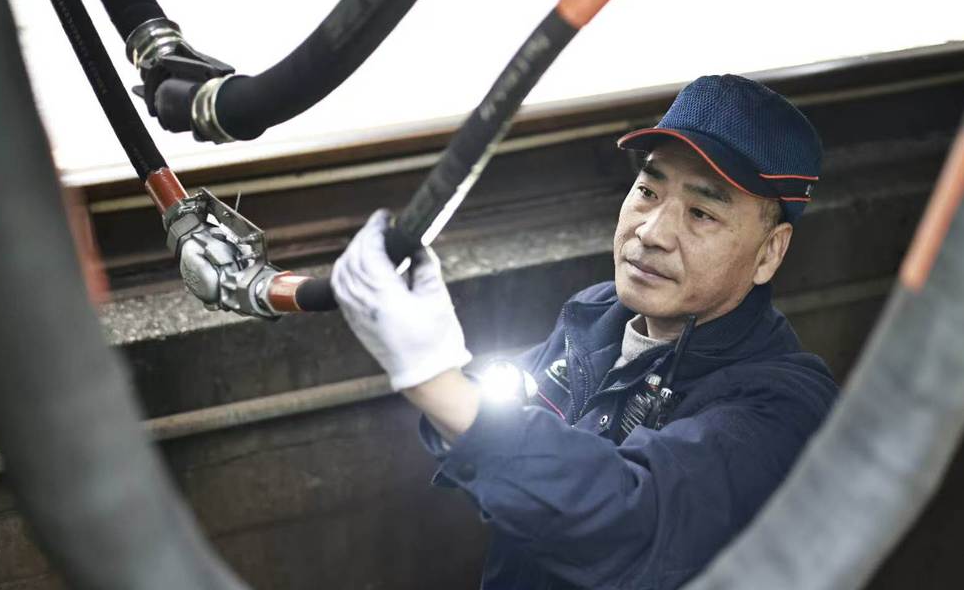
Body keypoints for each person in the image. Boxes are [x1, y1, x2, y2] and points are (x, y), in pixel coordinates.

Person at [331, 74, 838, 590]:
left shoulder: (782, 410)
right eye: (648, 190)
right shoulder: (597, 316)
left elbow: (626, 521)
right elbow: (497, 424)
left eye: (702, 213)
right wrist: (447, 364)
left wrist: (433, 378)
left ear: (770, 252)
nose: (652, 232)